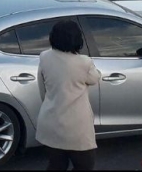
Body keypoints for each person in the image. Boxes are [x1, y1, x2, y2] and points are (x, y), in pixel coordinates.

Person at [36, 19, 101, 171]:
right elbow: (94, 78)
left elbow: (42, 90)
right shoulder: (84, 62)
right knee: (84, 166)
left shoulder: (44, 57)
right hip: (76, 129)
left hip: (50, 123)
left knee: (56, 165)